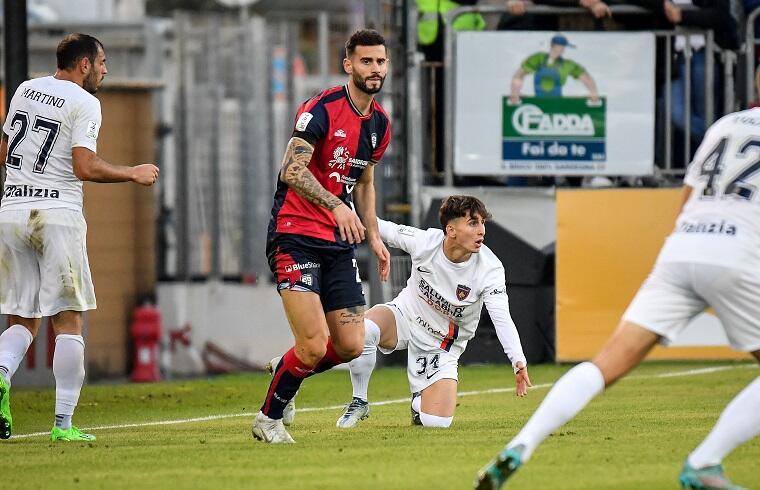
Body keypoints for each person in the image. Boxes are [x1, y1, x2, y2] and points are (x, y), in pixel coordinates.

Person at [475, 108, 760, 489]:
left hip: (682, 247)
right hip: (739, 252)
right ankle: (705, 462)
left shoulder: (726, 125)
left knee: (604, 364)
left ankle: (521, 444)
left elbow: (687, 201)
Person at [0, 33, 159, 442]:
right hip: (57, 215)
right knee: (69, 323)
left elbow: (4, 152)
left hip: (13, 210)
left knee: (22, 318)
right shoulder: (86, 102)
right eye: (102, 62)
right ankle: (63, 425)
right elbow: (84, 166)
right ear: (84, 64)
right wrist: (132, 172)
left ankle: (1, 375)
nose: (106, 69)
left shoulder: (24, 89)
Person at [252, 29, 392, 444]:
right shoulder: (322, 109)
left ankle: (287, 364)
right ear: (348, 65)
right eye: (366, 61)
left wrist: (374, 235)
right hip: (294, 235)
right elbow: (291, 170)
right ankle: (268, 420)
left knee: (350, 345)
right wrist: (334, 205)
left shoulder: (380, 124)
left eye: (380, 62)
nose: (375, 69)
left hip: (338, 242)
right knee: (313, 345)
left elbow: (364, 181)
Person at [335, 196, 531, 429]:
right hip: (405, 317)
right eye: (473, 223)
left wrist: (517, 360)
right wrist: (336, 207)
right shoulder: (425, 241)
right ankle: (360, 401)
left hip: (442, 344)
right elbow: (381, 227)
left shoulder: (490, 269)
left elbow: (502, 319)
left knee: (436, 423)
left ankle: (418, 403)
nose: (481, 231)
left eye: (482, 223)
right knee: (363, 330)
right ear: (451, 230)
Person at [509, 34, 600, 104]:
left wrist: (594, 93)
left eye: (564, 47)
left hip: (558, 103)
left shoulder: (567, 64)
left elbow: (586, 78)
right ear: (554, 46)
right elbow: (519, 75)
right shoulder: (538, 58)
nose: (563, 50)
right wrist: (515, 92)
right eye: (562, 47)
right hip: (537, 102)